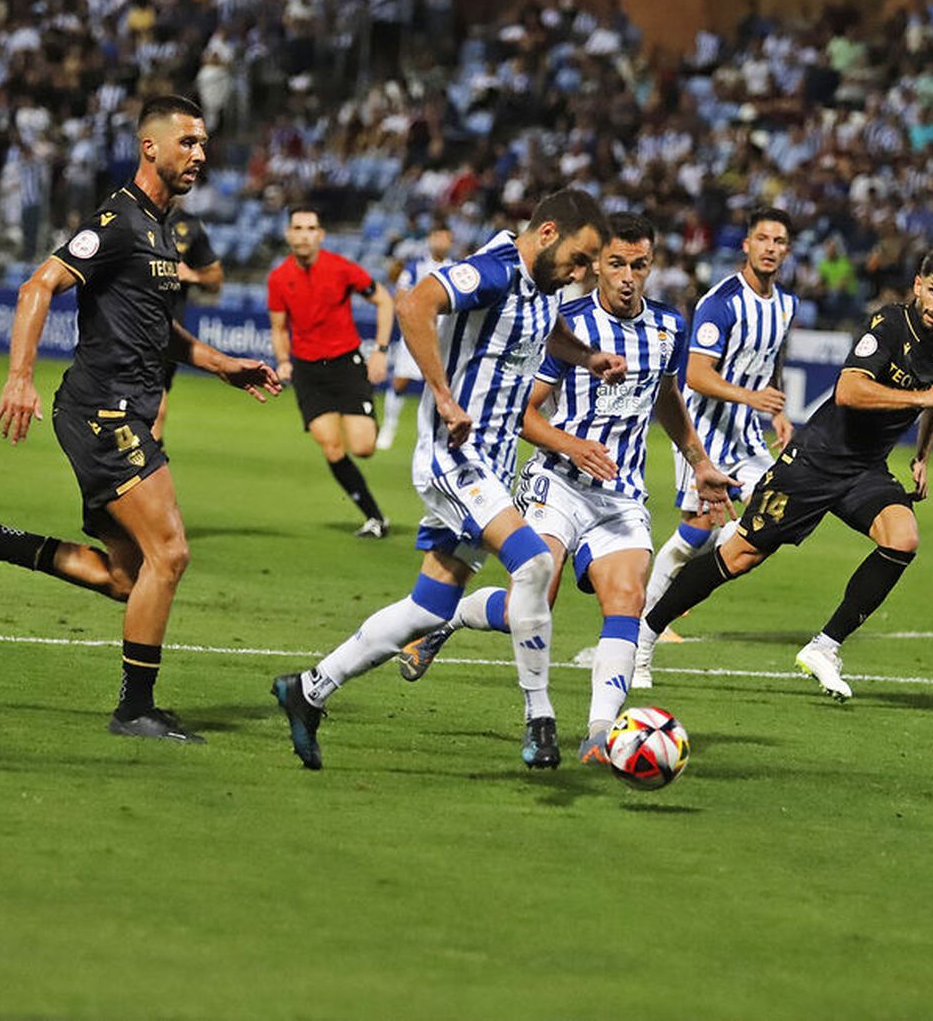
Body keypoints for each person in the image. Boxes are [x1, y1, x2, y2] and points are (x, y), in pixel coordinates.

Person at [0, 95, 281, 743]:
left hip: (123, 411)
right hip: (103, 411)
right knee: (170, 553)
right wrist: (18, 376)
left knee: (129, 578)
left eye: (204, 144)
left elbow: (158, 328)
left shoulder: (160, 231)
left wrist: (218, 361)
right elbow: (38, 285)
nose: (201, 155)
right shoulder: (117, 220)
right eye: (189, 142)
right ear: (151, 146)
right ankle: (134, 710)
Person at [271, 188, 623, 771]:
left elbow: (544, 327)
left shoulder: (542, 285)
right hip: (454, 455)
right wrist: (442, 394)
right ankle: (540, 720)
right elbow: (413, 304)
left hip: (489, 462)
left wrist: (586, 357)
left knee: (429, 608)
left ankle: (308, 690)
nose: (584, 273)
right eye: (580, 259)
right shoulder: (493, 269)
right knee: (535, 563)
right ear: (547, 234)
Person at [393, 213, 734, 764]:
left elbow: (667, 398)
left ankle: (601, 734)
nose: (627, 276)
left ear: (652, 267)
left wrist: (698, 461)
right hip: (557, 481)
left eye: (639, 266)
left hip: (621, 495)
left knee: (627, 598)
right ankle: (447, 618)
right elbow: (521, 415)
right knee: (537, 598)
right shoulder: (566, 324)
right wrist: (571, 445)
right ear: (597, 264)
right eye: (616, 264)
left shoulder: (670, 327)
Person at [635, 247, 933, 702]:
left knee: (903, 538)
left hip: (864, 469)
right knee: (740, 556)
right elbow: (850, 391)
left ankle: (825, 647)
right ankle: (644, 635)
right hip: (816, 459)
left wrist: (923, 454)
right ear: (918, 285)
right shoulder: (890, 325)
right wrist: (922, 398)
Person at [638, 206, 798, 683]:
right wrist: (752, 396)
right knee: (698, 528)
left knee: (777, 509)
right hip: (702, 434)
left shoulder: (786, 305)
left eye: (780, 241)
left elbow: (771, 360)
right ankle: (644, 626)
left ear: (787, 251)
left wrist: (777, 410)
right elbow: (696, 374)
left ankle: (677, 592)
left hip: (747, 434)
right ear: (746, 245)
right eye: (763, 239)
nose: (771, 247)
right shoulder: (721, 302)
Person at [267, 206, 398, 537]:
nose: (304, 234)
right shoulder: (278, 278)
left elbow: (385, 300)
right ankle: (374, 518)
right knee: (331, 446)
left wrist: (380, 352)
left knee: (364, 447)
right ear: (289, 234)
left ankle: (363, 417)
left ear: (320, 235)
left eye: (311, 228)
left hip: (345, 365)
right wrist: (283, 359)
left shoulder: (341, 268)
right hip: (308, 371)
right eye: (297, 227)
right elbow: (279, 328)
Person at [376, 219, 454, 452]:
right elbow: (399, 297)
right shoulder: (414, 267)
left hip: (445, 338)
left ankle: (437, 437)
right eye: (436, 236)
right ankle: (389, 427)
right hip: (417, 335)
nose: (440, 241)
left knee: (443, 387)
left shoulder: (457, 268)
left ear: (450, 241)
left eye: (444, 237)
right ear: (430, 239)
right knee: (400, 380)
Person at [150, 204, 224, 441]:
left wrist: (193, 275)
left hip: (169, 332)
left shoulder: (190, 226)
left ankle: (144, 470)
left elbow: (216, 279)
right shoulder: (129, 212)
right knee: (151, 408)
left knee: (155, 410)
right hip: (129, 325)